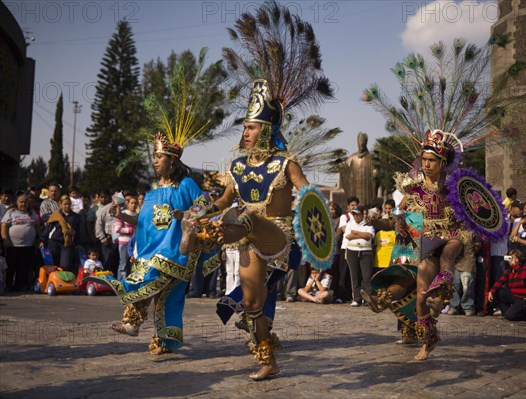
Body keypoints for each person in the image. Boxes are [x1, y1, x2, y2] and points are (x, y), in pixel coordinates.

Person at [181, 79, 321, 381]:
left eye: (251, 127)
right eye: (244, 127)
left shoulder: (287, 163)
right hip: (245, 239)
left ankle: (207, 238)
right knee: (251, 303)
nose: (245, 133)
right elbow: (223, 200)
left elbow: (310, 195)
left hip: (278, 237)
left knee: (249, 221)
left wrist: (315, 223)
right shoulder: (238, 166)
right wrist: (201, 211)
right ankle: (268, 360)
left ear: (267, 129)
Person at [88, 131, 209, 355]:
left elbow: (204, 205)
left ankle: (137, 325)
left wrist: (186, 213)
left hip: (176, 251)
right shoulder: (152, 192)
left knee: (155, 286)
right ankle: (159, 338)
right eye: (153, 156)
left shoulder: (186, 184)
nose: (154, 160)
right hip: (151, 251)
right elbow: (142, 222)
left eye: (159, 156)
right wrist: (122, 215)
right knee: (158, 291)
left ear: (172, 159)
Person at [361, 130, 468, 361]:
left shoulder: (454, 189)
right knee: (421, 297)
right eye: (424, 159)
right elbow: (398, 221)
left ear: (442, 162)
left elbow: (469, 218)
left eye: (432, 160)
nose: (427, 164)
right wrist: (376, 221)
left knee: (449, 254)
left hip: (450, 236)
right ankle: (428, 340)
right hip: (426, 243)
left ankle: (442, 294)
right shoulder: (413, 191)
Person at [1, 193, 41, 291]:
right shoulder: (11, 212)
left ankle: (19, 286)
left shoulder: (32, 213)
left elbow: (37, 227)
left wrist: (41, 239)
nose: (23, 204)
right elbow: (4, 226)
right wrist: (5, 239)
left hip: (28, 246)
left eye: (25, 202)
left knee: (23, 268)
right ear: (17, 203)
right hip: (12, 246)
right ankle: (8, 285)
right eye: (21, 202)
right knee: (11, 267)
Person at [488, 249, 526, 321]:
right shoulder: (508, 271)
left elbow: (523, 276)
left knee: (509, 316)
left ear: (518, 259)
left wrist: (516, 266)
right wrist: (491, 291)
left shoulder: (525, 268)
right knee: (499, 292)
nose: (511, 260)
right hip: (514, 297)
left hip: (523, 299)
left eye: (513, 258)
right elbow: (500, 281)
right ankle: (510, 313)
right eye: (509, 258)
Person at [344, 205, 375, 306]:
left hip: (365, 252)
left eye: (357, 214)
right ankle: (356, 299)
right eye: (354, 214)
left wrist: (356, 232)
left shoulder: (368, 224)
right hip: (352, 251)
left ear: (362, 214)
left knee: (366, 276)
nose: (356, 216)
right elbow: (348, 236)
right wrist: (361, 234)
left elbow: (368, 236)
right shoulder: (349, 224)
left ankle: (368, 298)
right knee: (355, 276)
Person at [40, 195, 80, 274]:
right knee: (54, 264)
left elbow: (77, 231)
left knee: (65, 265)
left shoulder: (75, 217)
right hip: (54, 242)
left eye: (69, 204)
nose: (67, 206)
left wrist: (77, 243)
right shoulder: (55, 215)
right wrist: (42, 241)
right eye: (65, 204)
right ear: (60, 204)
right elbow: (48, 228)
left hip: (67, 243)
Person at [338, 132, 376, 207]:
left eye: (362, 145)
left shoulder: (371, 158)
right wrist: (340, 164)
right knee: (355, 202)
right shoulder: (353, 157)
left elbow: (375, 172)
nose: (360, 147)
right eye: (359, 145)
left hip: (366, 188)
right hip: (355, 187)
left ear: (365, 144)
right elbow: (345, 166)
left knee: (366, 204)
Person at [113, 196, 137, 280]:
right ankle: (121, 284)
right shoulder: (123, 214)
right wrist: (131, 230)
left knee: (132, 266)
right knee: (123, 264)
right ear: (127, 204)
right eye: (132, 203)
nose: (134, 205)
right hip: (124, 243)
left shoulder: (137, 215)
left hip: (135, 245)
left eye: (135, 203)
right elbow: (117, 229)